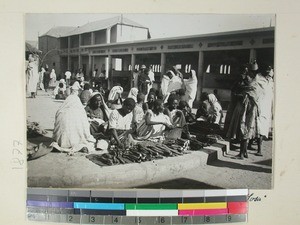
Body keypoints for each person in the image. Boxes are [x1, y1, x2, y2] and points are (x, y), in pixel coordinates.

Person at [226, 61, 264, 159]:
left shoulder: (252, 86)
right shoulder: (252, 84)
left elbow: (248, 97)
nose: (244, 76)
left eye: (246, 74)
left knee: (244, 129)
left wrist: (240, 95)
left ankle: (241, 154)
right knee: (245, 129)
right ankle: (245, 152)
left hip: (248, 110)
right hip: (249, 109)